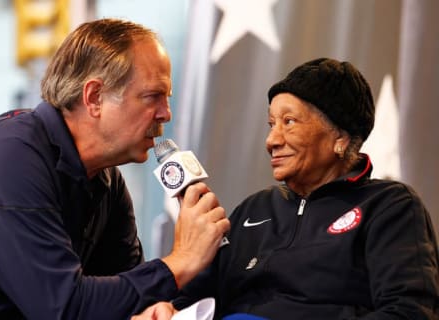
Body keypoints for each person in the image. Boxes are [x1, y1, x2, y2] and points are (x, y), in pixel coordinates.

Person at [0, 18, 230, 319]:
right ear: (94, 98)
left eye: (167, 98)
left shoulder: (106, 179)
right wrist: (181, 260)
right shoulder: (8, 160)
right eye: (153, 96)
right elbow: (64, 307)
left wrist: (154, 309)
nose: (166, 113)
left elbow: (126, 291)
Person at [134, 58, 439, 319]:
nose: (271, 141)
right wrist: (167, 308)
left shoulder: (389, 207)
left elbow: (410, 311)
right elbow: (194, 299)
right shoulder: (253, 210)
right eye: (271, 124)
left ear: (341, 138)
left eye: (289, 122)